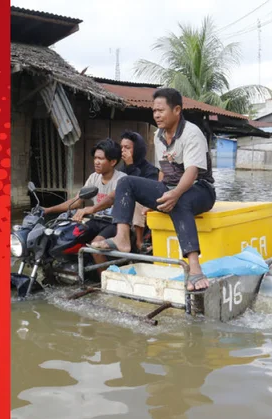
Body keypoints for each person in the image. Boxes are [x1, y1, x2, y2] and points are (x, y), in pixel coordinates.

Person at [91, 88, 216, 292]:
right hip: (171, 187)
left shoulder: (192, 133)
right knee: (126, 182)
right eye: (154, 111)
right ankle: (122, 238)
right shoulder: (158, 136)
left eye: (161, 110)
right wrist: (154, 199)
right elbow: (163, 173)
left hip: (201, 189)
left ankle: (194, 266)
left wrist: (173, 194)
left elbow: (192, 172)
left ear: (177, 110)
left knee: (178, 201)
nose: (156, 115)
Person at [42, 139, 126, 268]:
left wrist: (90, 209)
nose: (96, 162)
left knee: (96, 245)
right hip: (95, 220)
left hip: (113, 222)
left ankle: (103, 281)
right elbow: (76, 201)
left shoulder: (121, 179)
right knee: (63, 237)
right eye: (95, 158)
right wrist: (47, 210)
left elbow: (110, 199)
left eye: (101, 159)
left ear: (113, 162)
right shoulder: (94, 177)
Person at [119, 130, 159, 253]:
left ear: (137, 149)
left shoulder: (150, 170)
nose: (123, 151)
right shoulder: (121, 169)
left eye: (127, 147)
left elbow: (147, 191)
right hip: (125, 210)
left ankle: (139, 240)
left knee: (136, 199)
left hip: (144, 209)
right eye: (122, 147)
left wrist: (131, 166)